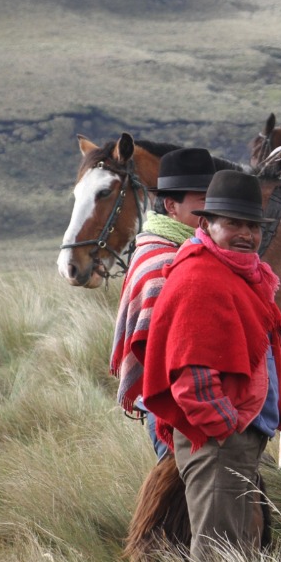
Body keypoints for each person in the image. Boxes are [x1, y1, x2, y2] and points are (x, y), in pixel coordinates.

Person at [140, 169, 281, 562]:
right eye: (234, 223)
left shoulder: (235, 275)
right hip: (218, 439)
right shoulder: (201, 277)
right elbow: (190, 372)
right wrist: (225, 430)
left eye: (253, 225)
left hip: (236, 434)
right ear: (207, 224)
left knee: (240, 544)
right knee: (220, 555)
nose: (246, 234)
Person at [109, 147, 216, 457]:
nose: (212, 212)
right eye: (203, 203)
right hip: (172, 404)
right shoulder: (163, 262)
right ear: (171, 205)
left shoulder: (177, 247)